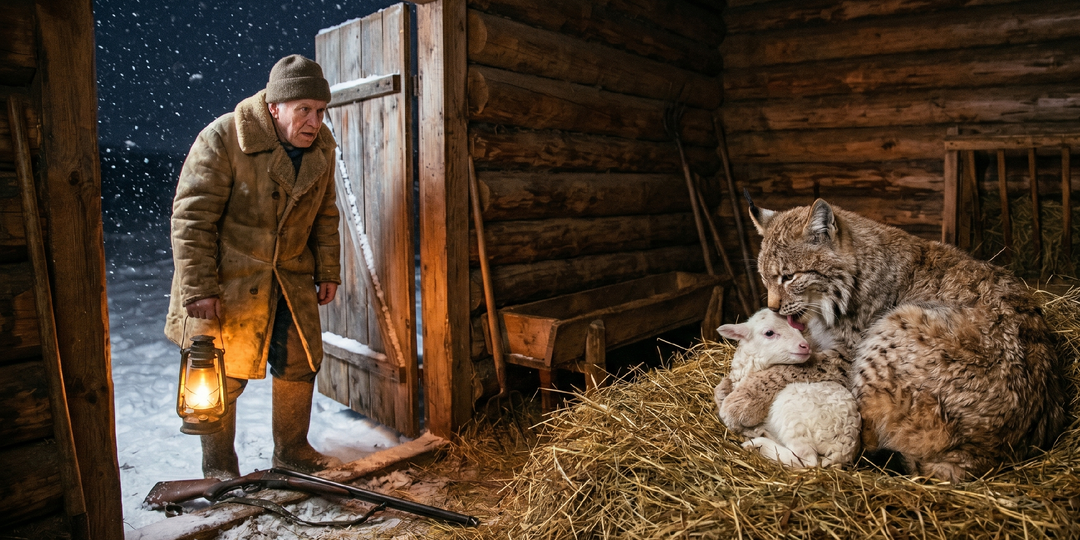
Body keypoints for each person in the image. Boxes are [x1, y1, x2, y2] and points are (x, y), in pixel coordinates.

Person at [165, 54, 343, 479]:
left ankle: (293, 451)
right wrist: (199, 288)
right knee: (221, 375)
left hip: (291, 277)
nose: (314, 122)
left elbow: (325, 215)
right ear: (273, 107)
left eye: (320, 111)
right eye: (303, 109)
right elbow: (192, 219)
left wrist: (328, 270)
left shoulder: (322, 150)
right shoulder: (224, 138)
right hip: (228, 281)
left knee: (301, 362)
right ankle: (219, 466)